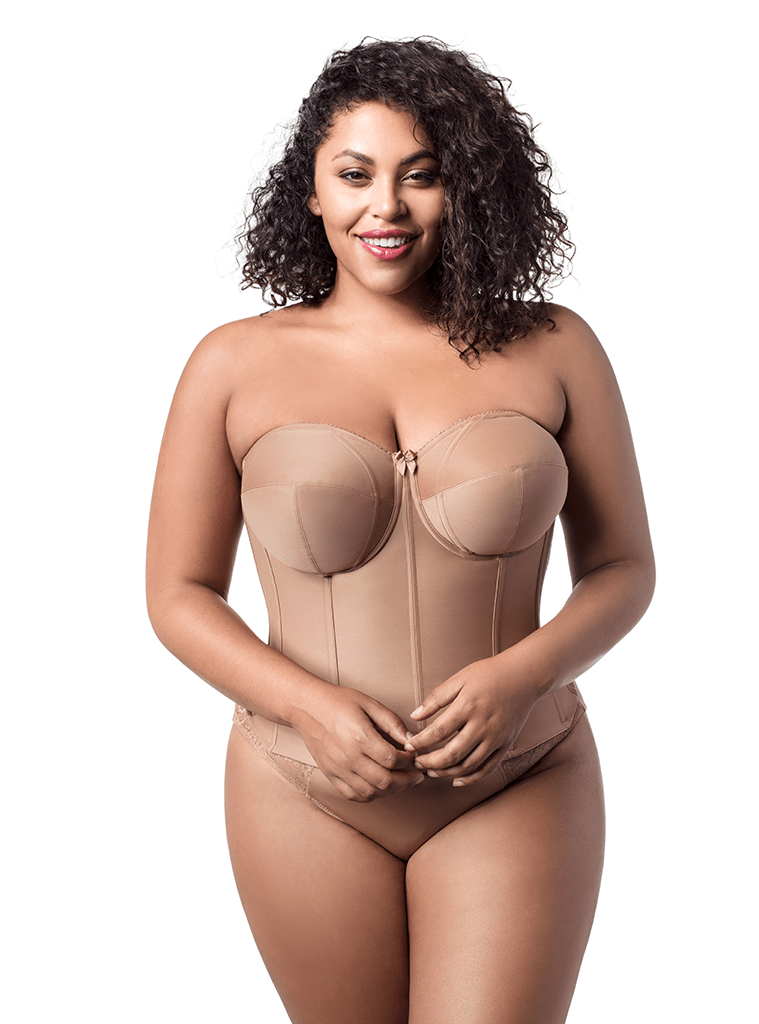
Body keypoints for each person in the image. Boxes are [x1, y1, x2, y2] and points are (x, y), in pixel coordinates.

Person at [146, 37, 655, 1024]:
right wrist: (306, 707)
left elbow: (624, 567)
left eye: (422, 175)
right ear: (310, 192)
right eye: (355, 175)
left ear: (466, 189)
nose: (385, 207)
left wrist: (522, 676)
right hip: (300, 785)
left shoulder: (556, 347)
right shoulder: (231, 364)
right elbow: (176, 594)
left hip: (519, 774)